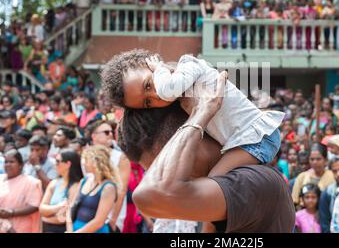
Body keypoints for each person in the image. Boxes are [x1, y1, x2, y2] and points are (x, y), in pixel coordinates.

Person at [117, 72, 295, 233]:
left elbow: (150, 195)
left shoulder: (256, 182)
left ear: (193, 135)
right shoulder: (221, 187)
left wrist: (200, 115)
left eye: (171, 164)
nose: (175, 176)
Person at [101, 50, 284, 178]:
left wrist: (159, 68)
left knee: (216, 180)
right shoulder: (181, 101)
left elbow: (167, 90)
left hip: (257, 139)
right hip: (245, 143)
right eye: (148, 103)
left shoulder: (188, 64)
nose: (156, 95)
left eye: (148, 85)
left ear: (151, 64)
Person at [89, 120, 130, 232]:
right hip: (90, 212)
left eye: (112, 132)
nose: (111, 134)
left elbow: (122, 191)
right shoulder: (87, 156)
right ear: (94, 136)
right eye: (106, 132)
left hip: (111, 215)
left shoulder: (120, 157)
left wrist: (114, 219)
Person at [66, 145, 119, 233]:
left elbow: (99, 222)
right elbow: (71, 207)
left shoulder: (108, 187)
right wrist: (70, 229)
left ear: (96, 162)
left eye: (87, 160)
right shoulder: (84, 181)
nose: (84, 163)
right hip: (75, 229)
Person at [0, 150, 43, 233]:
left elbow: (35, 206)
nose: (8, 164)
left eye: (12, 162)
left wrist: (12, 212)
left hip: (21, 228)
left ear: (21, 165)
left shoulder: (31, 182)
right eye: (6, 162)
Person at [39, 149, 83, 233]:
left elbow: (66, 217)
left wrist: (46, 218)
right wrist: (58, 207)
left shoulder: (76, 186)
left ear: (68, 164)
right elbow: (42, 208)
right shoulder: (54, 183)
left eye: (57, 161)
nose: (55, 164)